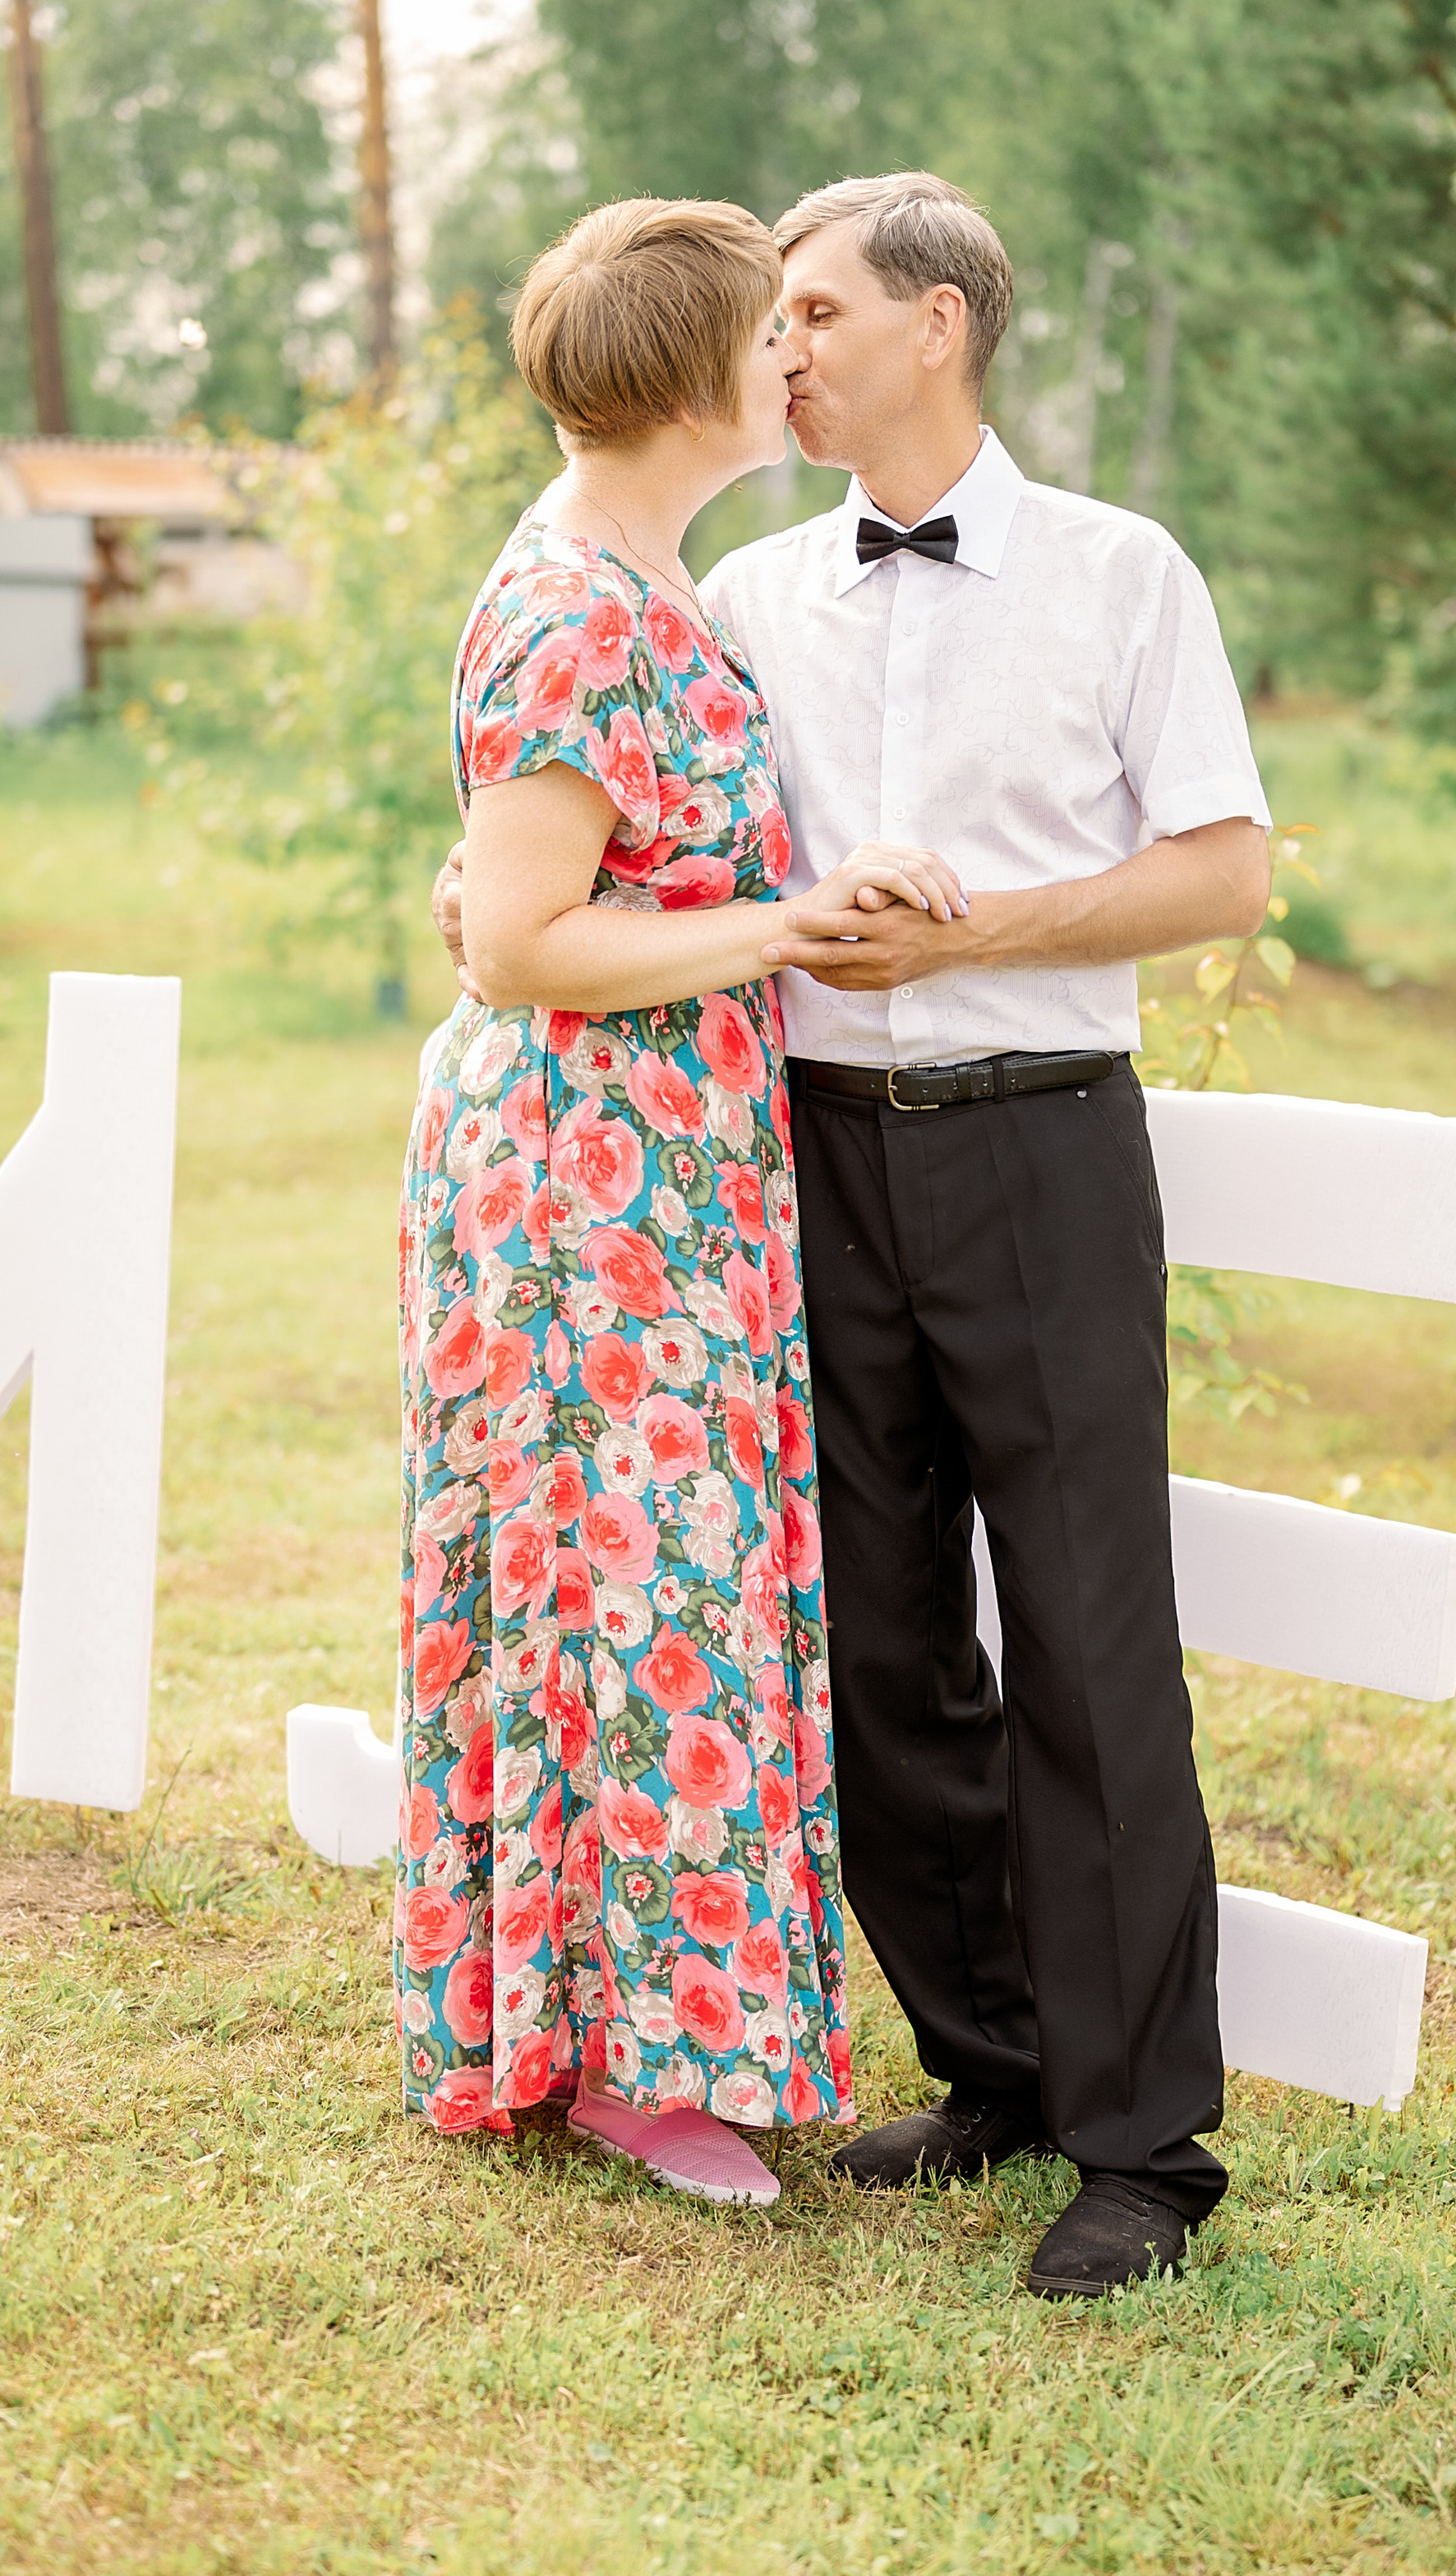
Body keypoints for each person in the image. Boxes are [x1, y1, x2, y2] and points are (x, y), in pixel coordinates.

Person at [436, 171, 1270, 2297]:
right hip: (796, 1154)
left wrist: (985, 932)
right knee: (879, 1634)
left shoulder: (1119, 573)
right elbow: (593, 842)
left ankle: (1138, 2146)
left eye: (819, 309)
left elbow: (1225, 878)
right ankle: (985, 2065)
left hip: (1040, 1144)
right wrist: (478, 914)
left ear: (944, 321)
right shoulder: (744, 597)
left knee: (1088, 1638)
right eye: (769, 316)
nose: (782, 346)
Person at [397, 196, 968, 2208]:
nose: (791, 364)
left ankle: (634, 2024)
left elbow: (534, 879)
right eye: (766, 338)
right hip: (581, 1183)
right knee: (617, 1581)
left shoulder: (656, 578)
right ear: (681, 379)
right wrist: (778, 925)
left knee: (671, 1577)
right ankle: (619, 2059)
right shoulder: (578, 605)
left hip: (665, 1161)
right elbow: (524, 948)